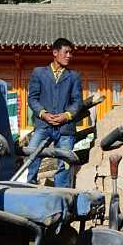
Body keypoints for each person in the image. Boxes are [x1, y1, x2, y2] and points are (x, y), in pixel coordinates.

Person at [27, 38, 83, 187]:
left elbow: (77, 101)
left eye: (71, 53)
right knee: (32, 154)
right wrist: (43, 113)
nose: (69, 56)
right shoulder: (39, 73)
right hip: (43, 125)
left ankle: (60, 194)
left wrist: (66, 115)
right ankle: (29, 185)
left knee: (63, 165)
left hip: (65, 128)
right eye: (66, 52)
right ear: (55, 53)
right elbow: (32, 98)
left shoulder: (74, 77)